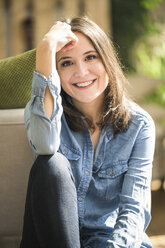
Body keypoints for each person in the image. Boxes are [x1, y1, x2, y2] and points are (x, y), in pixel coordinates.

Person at [20, 16, 155, 248]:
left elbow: (134, 210)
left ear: (107, 60)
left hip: (111, 241)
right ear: (56, 71)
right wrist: (45, 49)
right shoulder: (45, 113)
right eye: (66, 63)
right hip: (51, 237)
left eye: (90, 57)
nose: (81, 72)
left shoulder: (139, 125)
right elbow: (44, 146)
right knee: (51, 165)